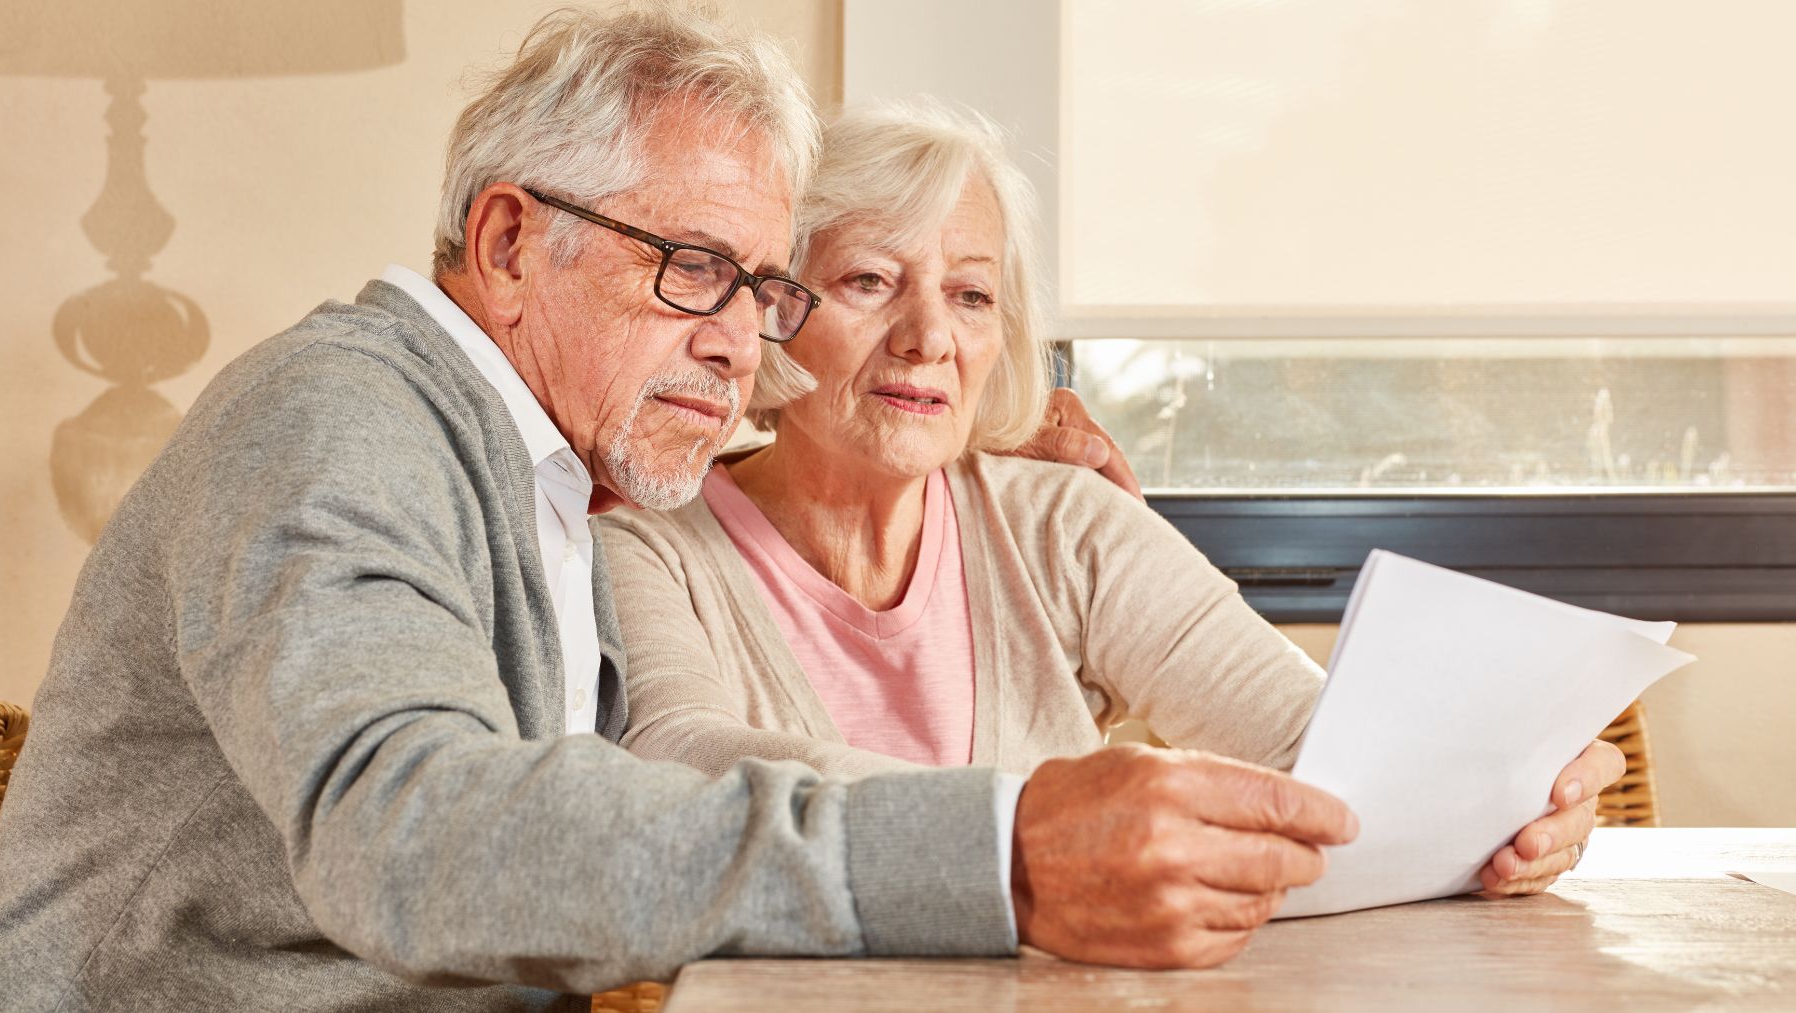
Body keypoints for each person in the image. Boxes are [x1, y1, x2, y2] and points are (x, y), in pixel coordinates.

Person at [0, 8, 1362, 1010]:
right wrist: (994, 847)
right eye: (692, 267)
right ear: (510, 243)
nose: (738, 341)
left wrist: (1003, 429)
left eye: (764, 288)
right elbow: (408, 836)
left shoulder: (558, 471)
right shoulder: (339, 421)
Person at [602, 100, 1623, 910]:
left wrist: (1519, 790)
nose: (929, 338)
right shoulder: (652, 543)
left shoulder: (1062, 522)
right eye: (870, 279)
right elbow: (681, 763)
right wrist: (1040, 824)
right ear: (775, 307)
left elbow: (1320, 751)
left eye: (970, 294)